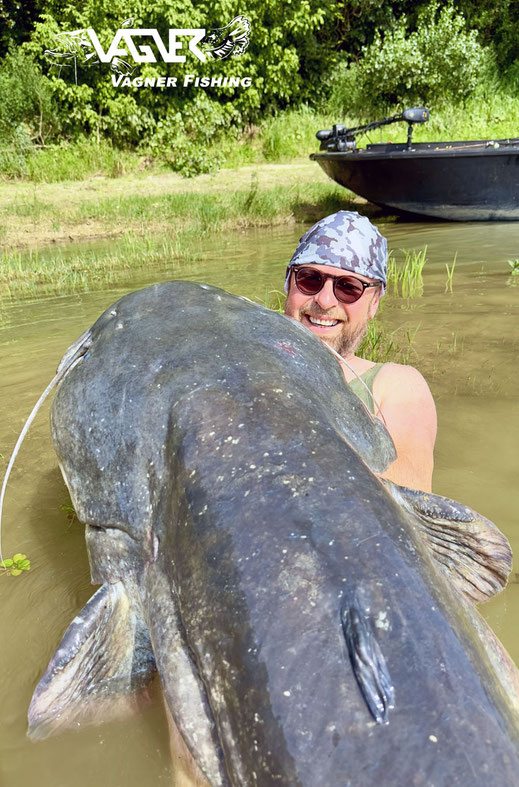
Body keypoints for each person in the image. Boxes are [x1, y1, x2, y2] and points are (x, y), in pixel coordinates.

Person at [283, 210, 437, 492]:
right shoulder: (247, 366)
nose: (325, 300)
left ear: (374, 302)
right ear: (288, 282)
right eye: (309, 279)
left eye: (348, 287)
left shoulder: (396, 384)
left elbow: (411, 490)